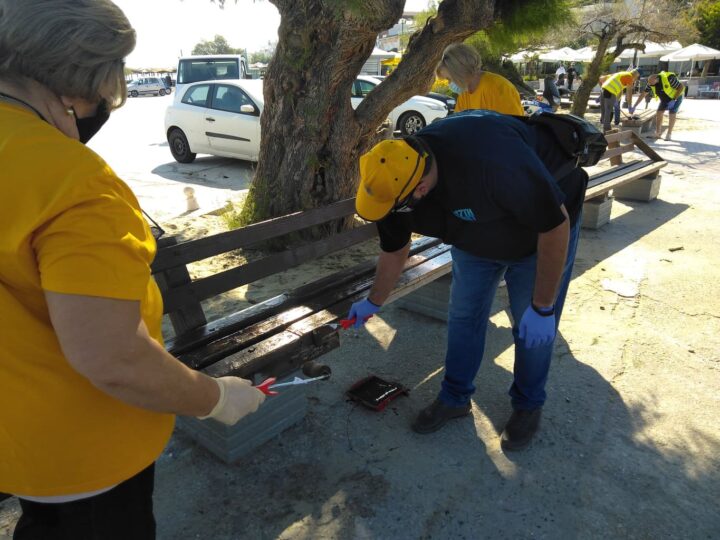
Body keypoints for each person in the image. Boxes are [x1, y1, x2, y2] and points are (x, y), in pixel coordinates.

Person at [0, 1, 265, 538]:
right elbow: (113, 358)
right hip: (86, 455)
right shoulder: (72, 182)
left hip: (17, 441)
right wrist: (216, 398)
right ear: (84, 82)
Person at [347, 110, 588, 451]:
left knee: (530, 327)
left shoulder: (492, 160)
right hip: (475, 241)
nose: (391, 213)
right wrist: (374, 300)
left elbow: (554, 224)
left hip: (537, 237)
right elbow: (394, 249)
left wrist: (544, 307)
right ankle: (455, 397)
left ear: (421, 187)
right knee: (463, 318)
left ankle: (528, 405)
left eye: (396, 207)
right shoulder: (394, 181)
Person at [436, 43, 524, 116]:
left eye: (449, 79)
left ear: (460, 72)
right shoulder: (464, 95)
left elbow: (513, 130)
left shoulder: (500, 88)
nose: (449, 84)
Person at [629, 71, 685, 140]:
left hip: (676, 96)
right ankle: (658, 134)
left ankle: (669, 134)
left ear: (657, 79)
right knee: (659, 112)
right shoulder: (650, 83)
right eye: (649, 82)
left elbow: (681, 87)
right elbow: (643, 94)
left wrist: (674, 99)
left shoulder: (669, 79)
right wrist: (635, 106)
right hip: (665, 98)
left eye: (651, 82)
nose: (649, 84)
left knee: (672, 113)